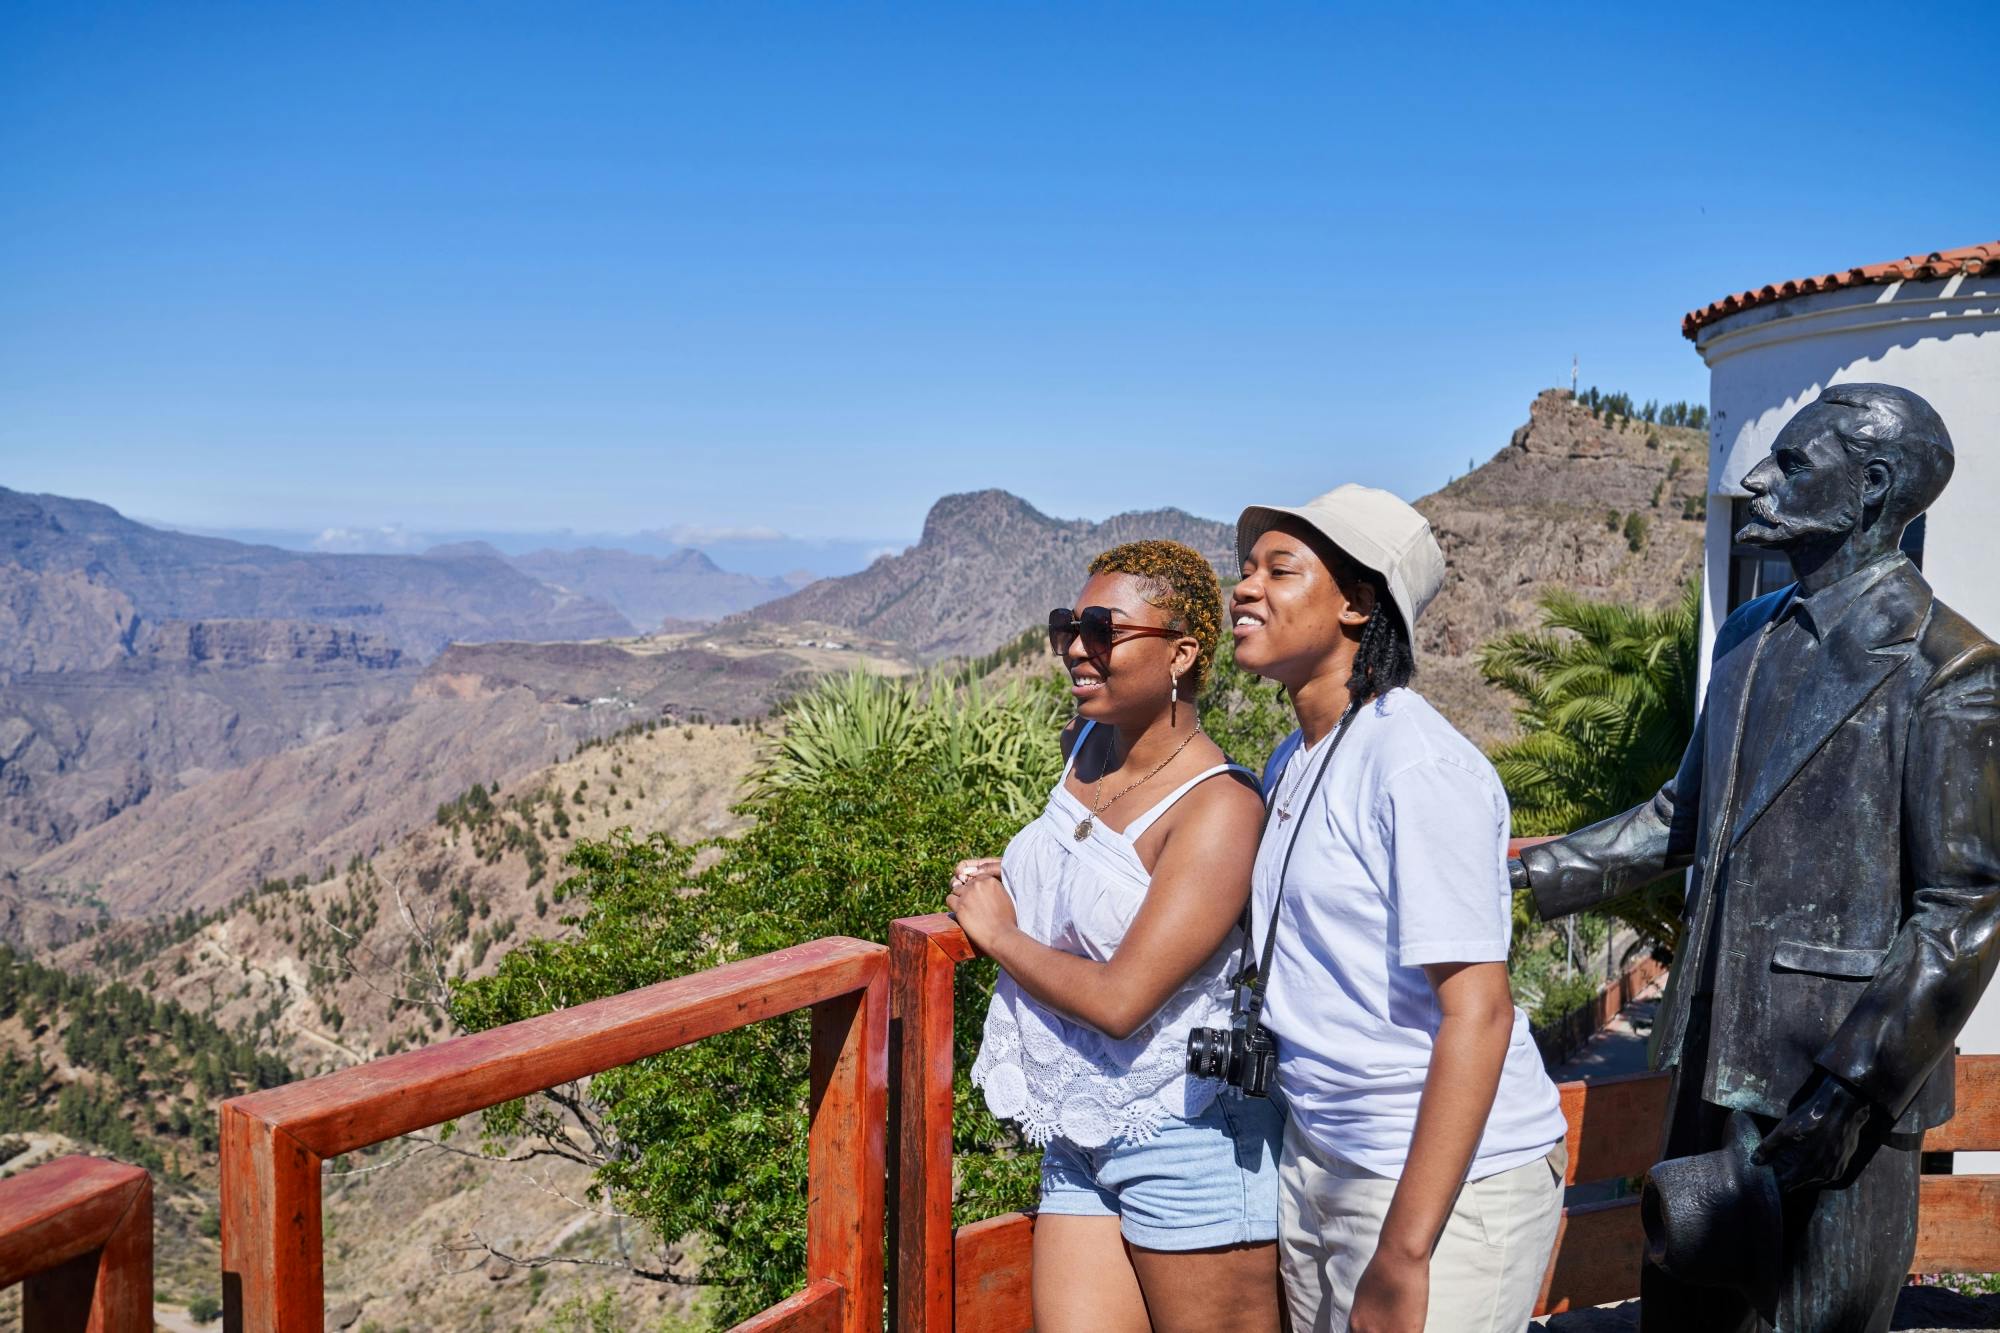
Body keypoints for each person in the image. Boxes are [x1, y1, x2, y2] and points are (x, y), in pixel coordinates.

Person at [1514, 384, 2000, 1333]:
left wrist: (1850, 1092)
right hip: (1708, 1068)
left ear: (1869, 489)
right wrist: (1525, 877)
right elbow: (1677, 817)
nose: (1757, 479)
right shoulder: (1746, 636)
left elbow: (1962, 912)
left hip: (1831, 1102)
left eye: (1792, 463)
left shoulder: (1948, 667)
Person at [1230, 485, 1568, 1333]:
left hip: (1442, 1187)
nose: (1245, 588)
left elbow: (1480, 1013)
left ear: (1359, 603)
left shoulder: (1416, 767)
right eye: (1245, 569)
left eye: (1279, 568)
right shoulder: (1294, 757)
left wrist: (1406, 1249)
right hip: (1324, 1161)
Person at [946, 539, 1282, 1333]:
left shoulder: (1218, 810)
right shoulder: (1086, 748)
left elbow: (1126, 998)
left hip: (1189, 1136)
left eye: (1104, 627)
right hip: (1080, 1126)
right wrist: (1014, 881)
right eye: (1069, 622)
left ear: (1182, 652)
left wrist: (1000, 934)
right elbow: (1077, 869)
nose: (1075, 645)